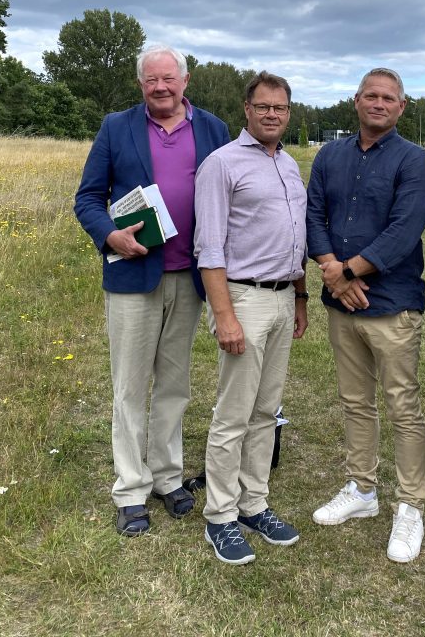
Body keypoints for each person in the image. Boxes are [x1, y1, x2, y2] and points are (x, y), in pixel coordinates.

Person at [74, 44, 230, 536]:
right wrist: (109, 234)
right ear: (141, 84)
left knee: (174, 384)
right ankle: (130, 489)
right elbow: (87, 199)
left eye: (168, 79)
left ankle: (167, 477)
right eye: (150, 80)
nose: (160, 87)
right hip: (133, 279)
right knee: (129, 387)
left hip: (190, 276)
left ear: (186, 81)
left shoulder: (213, 129)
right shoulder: (116, 127)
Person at [306, 68, 425, 563]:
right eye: (371, 95)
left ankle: (410, 506)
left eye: (389, 97)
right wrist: (331, 271)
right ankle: (362, 490)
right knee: (355, 401)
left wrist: (346, 273)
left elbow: (404, 232)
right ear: (356, 101)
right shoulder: (330, 155)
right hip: (342, 306)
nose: (378, 103)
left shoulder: (416, 162)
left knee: (402, 405)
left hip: (393, 305)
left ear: (401, 107)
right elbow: (313, 214)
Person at [194, 71, 308, 565]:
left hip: (283, 298)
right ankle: (220, 515)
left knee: (267, 411)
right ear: (247, 109)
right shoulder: (221, 164)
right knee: (233, 414)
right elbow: (209, 245)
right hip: (243, 298)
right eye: (263, 107)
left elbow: (296, 236)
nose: (272, 115)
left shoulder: (289, 165)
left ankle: (253, 503)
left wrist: (301, 297)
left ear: (288, 112)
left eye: (280, 108)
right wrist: (225, 316)